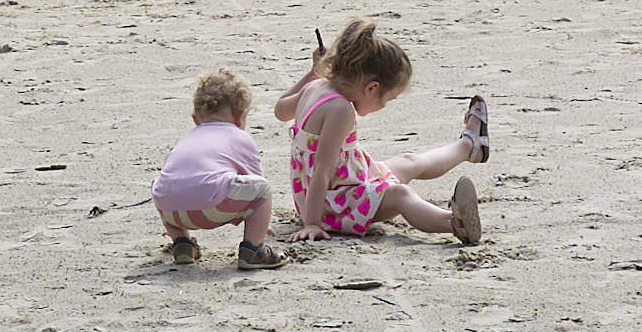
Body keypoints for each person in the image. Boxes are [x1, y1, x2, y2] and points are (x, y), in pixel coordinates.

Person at [280, 19, 484, 252]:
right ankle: (454, 222)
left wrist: (312, 73)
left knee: (407, 162)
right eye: (386, 100)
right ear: (372, 88)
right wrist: (313, 224)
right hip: (333, 205)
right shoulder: (340, 111)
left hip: (338, 187)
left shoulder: (315, 87)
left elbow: (280, 110)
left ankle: (469, 145)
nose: (383, 106)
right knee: (400, 195)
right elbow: (322, 171)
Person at [152, 67, 286, 270]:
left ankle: (182, 243)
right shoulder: (239, 136)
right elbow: (256, 183)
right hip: (211, 204)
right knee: (263, 188)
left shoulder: (186, 140)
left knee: (162, 184)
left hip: (171, 211)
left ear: (196, 118)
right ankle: (253, 250)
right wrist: (261, 223)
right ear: (241, 116)